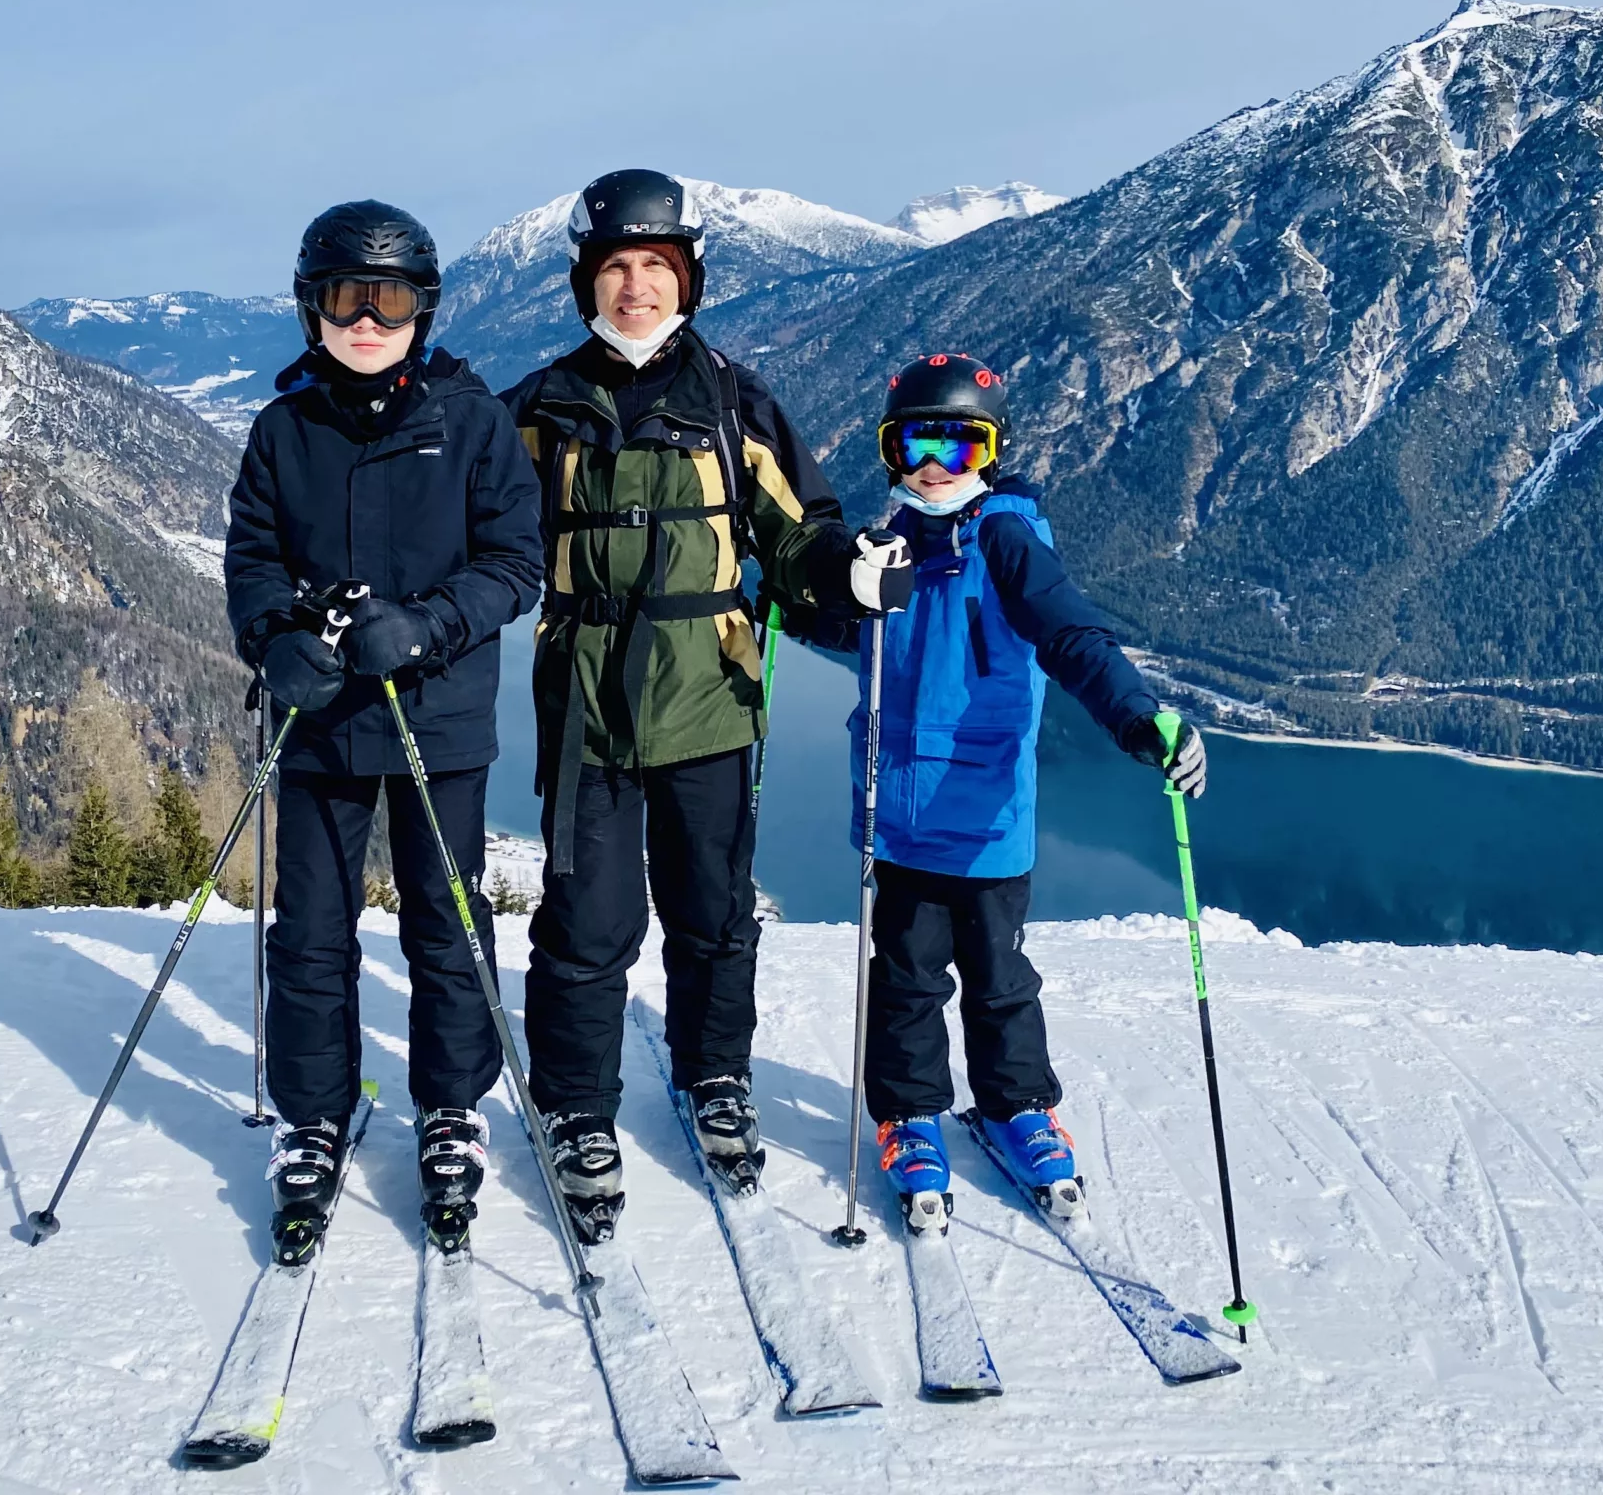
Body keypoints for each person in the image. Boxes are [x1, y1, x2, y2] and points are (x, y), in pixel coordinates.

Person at [500, 168, 855, 1240]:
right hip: (588, 706)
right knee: (585, 921)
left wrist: (846, 575)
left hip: (710, 692)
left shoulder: (732, 401)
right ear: (586, 284)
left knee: (711, 914)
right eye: (616, 268)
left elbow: (800, 528)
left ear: (687, 279)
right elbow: (477, 535)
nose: (637, 288)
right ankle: (575, 1108)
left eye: (656, 267)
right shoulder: (541, 408)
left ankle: (714, 1080)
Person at [223, 201, 543, 1262]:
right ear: (312, 308)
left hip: (434, 717)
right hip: (317, 720)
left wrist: (428, 625)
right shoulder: (283, 429)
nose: (367, 320)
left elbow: (513, 564)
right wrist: (272, 639)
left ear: (423, 310)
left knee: (445, 928)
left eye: (390, 298)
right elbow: (254, 561)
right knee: (309, 934)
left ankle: (450, 1106)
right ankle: (315, 1111)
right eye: (345, 298)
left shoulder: (472, 418)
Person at [842, 352, 1208, 1228]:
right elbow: (826, 615)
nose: (934, 465)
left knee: (1001, 978)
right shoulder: (884, 546)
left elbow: (1072, 635)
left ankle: (1017, 1107)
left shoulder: (1005, 539)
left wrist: (1137, 718)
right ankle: (909, 1115)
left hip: (987, 820)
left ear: (991, 454)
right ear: (890, 453)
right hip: (896, 816)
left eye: (958, 446)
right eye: (914, 443)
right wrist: (791, 589)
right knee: (904, 979)